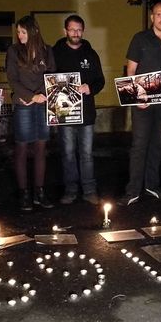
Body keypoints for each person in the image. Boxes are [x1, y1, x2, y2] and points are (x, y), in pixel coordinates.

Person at [117, 2, 161, 206]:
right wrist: (137, 97)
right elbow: (130, 70)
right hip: (143, 103)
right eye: (158, 15)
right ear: (152, 17)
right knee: (139, 145)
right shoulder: (140, 39)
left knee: (157, 145)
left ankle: (152, 186)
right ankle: (132, 191)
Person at [53, 15, 105, 205]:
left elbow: (101, 80)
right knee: (67, 152)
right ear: (65, 30)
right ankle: (70, 190)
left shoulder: (91, 54)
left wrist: (90, 88)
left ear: (83, 30)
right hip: (64, 112)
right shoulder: (55, 53)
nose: (75, 33)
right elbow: (48, 78)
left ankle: (90, 190)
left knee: (86, 154)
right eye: (72, 29)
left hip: (87, 113)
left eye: (79, 30)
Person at [6, 15, 56, 211]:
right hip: (23, 104)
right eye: (18, 32)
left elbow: (52, 75)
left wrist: (41, 95)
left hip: (43, 104)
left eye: (23, 32)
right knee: (22, 148)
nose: (19, 35)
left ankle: (39, 192)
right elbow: (12, 79)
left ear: (33, 32)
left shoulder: (47, 51)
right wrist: (30, 96)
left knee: (41, 148)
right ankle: (24, 193)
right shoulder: (14, 51)